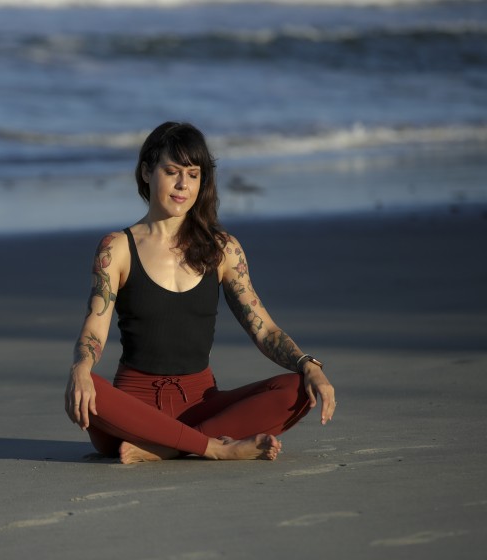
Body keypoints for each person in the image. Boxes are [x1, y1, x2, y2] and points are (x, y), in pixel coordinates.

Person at [64, 121, 336, 464]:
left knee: (298, 389)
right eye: (172, 171)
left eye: (193, 174)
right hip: (133, 411)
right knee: (92, 389)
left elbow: (264, 329)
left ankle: (163, 447)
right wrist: (80, 368)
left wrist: (307, 364)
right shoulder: (117, 248)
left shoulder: (223, 250)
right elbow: (95, 326)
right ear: (147, 172)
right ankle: (213, 447)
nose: (183, 185)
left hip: (201, 406)